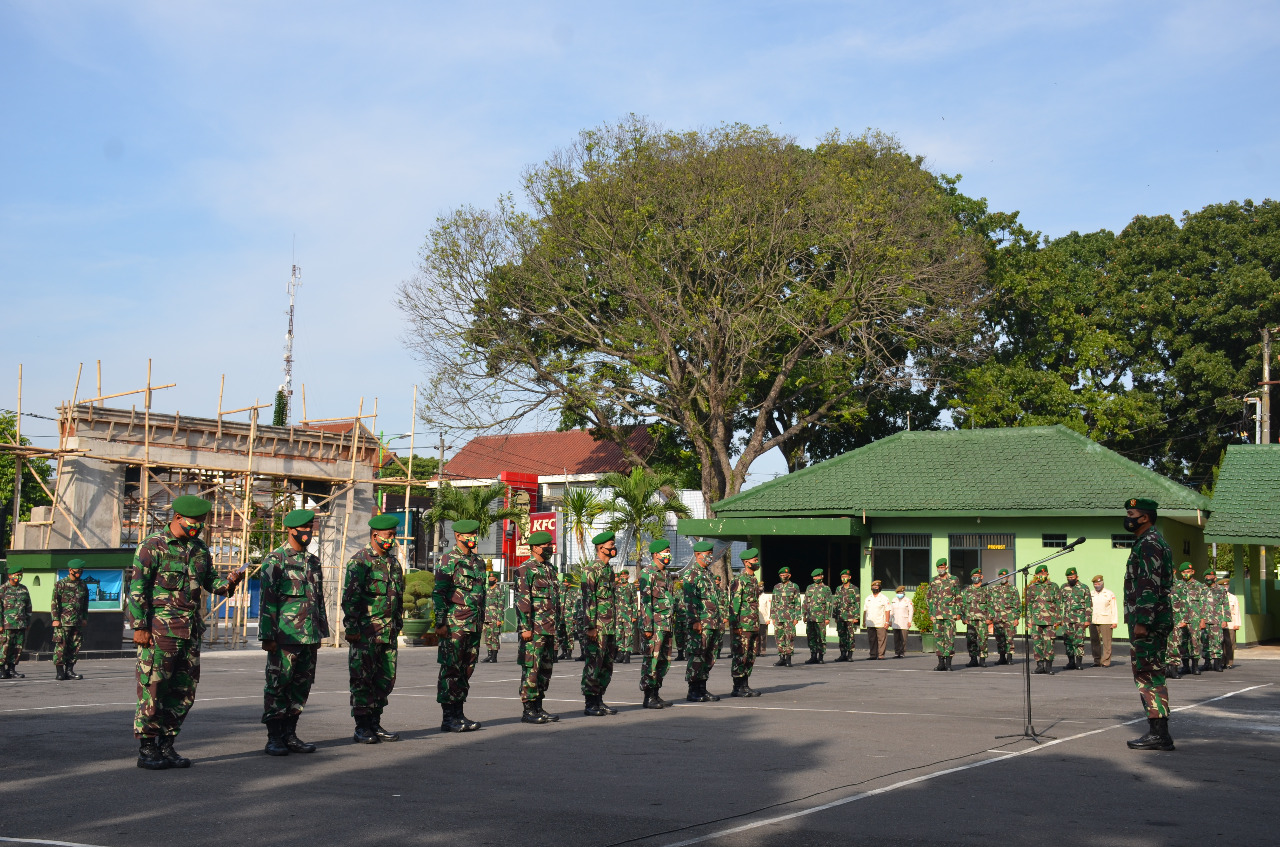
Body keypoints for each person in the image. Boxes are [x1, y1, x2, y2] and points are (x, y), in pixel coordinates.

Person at [127, 495, 245, 769]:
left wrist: (229, 582)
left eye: (202, 522)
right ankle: (147, 749)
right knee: (153, 689)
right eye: (195, 521)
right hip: (159, 633)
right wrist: (140, 626)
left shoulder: (200, 549)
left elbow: (210, 582)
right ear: (178, 518)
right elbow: (137, 589)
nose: (199, 526)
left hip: (190, 632)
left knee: (183, 693)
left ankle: (167, 745)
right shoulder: (152, 546)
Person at [259, 509, 329, 755]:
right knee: (278, 685)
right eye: (304, 528)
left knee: (301, 686)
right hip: (284, 637)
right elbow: (267, 600)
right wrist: (267, 636)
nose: (308, 532)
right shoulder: (275, 560)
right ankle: (274, 737)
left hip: (309, 636)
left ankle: (290, 733)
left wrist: (321, 631)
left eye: (311, 527)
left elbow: (318, 599)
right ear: (290, 530)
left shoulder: (313, 561)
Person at [344, 514, 406, 742]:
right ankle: (362, 726)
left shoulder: (393, 564)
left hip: (388, 633)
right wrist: (351, 627)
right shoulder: (359, 562)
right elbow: (350, 598)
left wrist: (397, 625)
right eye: (389, 535)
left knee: (385, 679)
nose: (392, 539)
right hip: (366, 632)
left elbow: (398, 597)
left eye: (394, 535)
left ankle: (375, 722)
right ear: (375, 535)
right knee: (363, 679)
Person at [1122, 497, 1176, 751]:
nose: (1128, 517)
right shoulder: (1151, 542)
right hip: (1155, 618)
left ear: (1144, 517)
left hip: (1150, 622)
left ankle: (1159, 733)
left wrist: (1142, 621)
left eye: (1131, 513)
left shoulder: (1149, 544)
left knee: (1148, 674)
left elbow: (1148, 584)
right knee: (1151, 673)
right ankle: (1159, 731)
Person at [432, 518, 485, 731]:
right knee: (451, 670)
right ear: (459, 536)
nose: (473, 538)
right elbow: (439, 594)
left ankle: (459, 713)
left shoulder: (478, 561)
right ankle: (448, 718)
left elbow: (481, 594)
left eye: (475, 534)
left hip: (473, 625)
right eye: (469, 535)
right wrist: (440, 622)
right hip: (454, 626)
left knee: (466, 670)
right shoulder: (449, 560)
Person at [515, 530, 561, 724]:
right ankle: (529, 709)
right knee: (531, 668)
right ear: (535, 548)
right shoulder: (526, 569)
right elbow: (523, 601)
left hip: (550, 628)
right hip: (534, 629)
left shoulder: (550, 569)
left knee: (545, 669)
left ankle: (539, 706)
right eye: (546, 546)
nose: (550, 549)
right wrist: (525, 627)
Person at [579, 531, 620, 716]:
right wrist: (591, 626)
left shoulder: (608, 570)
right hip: (597, 627)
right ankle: (590, 702)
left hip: (609, 626)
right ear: (601, 548)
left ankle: (600, 699)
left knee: (606, 665)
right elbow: (589, 600)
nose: (613, 549)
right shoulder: (590, 570)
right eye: (611, 546)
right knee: (593, 664)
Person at [683, 541, 723, 702]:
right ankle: (693, 689)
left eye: (711, 553)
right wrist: (695, 621)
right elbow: (690, 600)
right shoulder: (691, 575)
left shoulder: (708, 574)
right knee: (697, 655)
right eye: (707, 553)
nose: (710, 556)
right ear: (697, 555)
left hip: (712, 622)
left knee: (709, 656)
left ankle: (702, 687)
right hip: (701, 623)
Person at [639, 539, 676, 708]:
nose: (668, 554)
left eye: (668, 551)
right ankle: (648, 696)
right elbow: (645, 602)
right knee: (652, 661)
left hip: (667, 623)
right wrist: (647, 627)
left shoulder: (667, 574)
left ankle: (656, 692)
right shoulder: (648, 573)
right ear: (655, 554)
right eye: (665, 551)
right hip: (654, 625)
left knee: (664, 661)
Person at [729, 549, 764, 697]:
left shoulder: (754, 580)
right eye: (754, 560)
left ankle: (745, 684)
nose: (757, 562)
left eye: (757, 559)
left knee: (751, 654)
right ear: (746, 562)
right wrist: (734, 624)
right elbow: (734, 604)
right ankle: (737, 687)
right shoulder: (739, 580)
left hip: (753, 624)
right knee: (740, 654)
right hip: (742, 624)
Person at [51, 560, 90, 680]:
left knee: (75, 645)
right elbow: (54, 603)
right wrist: (55, 619)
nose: (79, 574)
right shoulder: (61, 584)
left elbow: (85, 603)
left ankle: (70, 670)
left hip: (77, 621)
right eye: (77, 571)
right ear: (70, 570)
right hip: (63, 622)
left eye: (81, 572)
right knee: (61, 645)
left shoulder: (83, 585)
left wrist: (84, 617)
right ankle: (59, 671)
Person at [1026, 564, 1061, 675]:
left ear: (1047, 574)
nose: (1041, 575)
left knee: (1049, 643)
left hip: (1050, 620)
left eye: (1043, 573)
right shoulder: (1032, 587)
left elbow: (1058, 604)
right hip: (1036, 621)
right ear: (1036, 575)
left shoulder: (1054, 586)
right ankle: (1040, 666)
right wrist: (1028, 620)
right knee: (1037, 643)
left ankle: (1049, 666)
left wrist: (1058, 619)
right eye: (1039, 574)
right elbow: (1029, 605)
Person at [1171, 562, 1205, 676]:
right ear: (1181, 573)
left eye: (1188, 572)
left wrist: (1202, 620)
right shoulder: (1178, 585)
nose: (1186, 574)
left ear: (1193, 572)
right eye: (1184, 572)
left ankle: (1195, 666)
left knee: (1195, 642)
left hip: (1195, 618)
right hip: (1181, 618)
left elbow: (1204, 604)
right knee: (1182, 642)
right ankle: (1185, 666)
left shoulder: (1199, 586)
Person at [927, 558, 960, 671]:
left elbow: (958, 597)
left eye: (942, 567)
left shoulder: (954, 580)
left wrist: (958, 612)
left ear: (946, 567)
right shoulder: (933, 580)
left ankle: (949, 663)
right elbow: (929, 598)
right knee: (938, 638)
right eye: (939, 568)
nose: (940, 570)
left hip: (950, 615)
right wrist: (931, 613)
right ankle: (941, 663)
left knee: (949, 638)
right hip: (937, 614)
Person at [1, 566, 32, 680]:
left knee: (17, 648)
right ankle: (2, 670)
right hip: (7, 625)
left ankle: (12, 669)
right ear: (10, 575)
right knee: (5, 647)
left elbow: (28, 606)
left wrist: (28, 621)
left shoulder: (24, 589)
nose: (18, 576)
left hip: (21, 624)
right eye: (16, 574)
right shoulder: (3, 589)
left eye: (20, 574)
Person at [1060, 567, 1092, 671]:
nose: (1070, 579)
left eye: (1072, 577)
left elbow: (1088, 605)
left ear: (1077, 577)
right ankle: (1071, 662)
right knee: (1068, 641)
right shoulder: (1063, 587)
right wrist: (1059, 618)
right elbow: (1060, 604)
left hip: (1080, 620)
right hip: (1067, 620)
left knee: (1079, 641)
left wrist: (1088, 619)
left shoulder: (1084, 588)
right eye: (1068, 577)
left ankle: (1078, 663)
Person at [959, 569, 991, 667]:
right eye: (973, 576)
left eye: (977, 575)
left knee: (983, 639)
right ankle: (973, 659)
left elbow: (991, 605)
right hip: (970, 620)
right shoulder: (966, 590)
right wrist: (963, 617)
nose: (975, 578)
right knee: (971, 640)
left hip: (982, 619)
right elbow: (962, 605)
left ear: (981, 577)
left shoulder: (986, 590)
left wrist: (989, 618)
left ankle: (982, 659)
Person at [802, 569, 833, 664]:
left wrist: (827, 617)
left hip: (821, 618)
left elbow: (829, 604)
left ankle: (821, 657)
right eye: (814, 577)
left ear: (822, 576)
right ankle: (813, 656)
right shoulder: (809, 588)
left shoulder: (826, 589)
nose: (815, 578)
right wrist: (804, 614)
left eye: (817, 576)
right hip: (810, 617)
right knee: (811, 637)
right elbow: (805, 602)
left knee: (821, 637)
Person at [990, 569, 1020, 665]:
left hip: (1009, 618)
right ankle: (1002, 658)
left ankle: (1010, 658)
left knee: (1009, 638)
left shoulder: (1013, 589)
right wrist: (991, 617)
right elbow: (990, 604)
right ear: (999, 577)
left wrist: (1016, 618)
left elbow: (1017, 604)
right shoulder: (994, 588)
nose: (1003, 578)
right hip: (997, 618)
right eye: (1001, 576)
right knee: (999, 638)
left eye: (1005, 576)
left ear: (1009, 577)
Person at [770, 567, 800, 666]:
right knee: (779, 637)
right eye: (781, 576)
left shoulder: (794, 586)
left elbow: (797, 603)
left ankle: (788, 659)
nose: (783, 577)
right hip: (778, 617)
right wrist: (773, 617)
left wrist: (797, 617)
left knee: (789, 637)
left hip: (790, 617)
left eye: (785, 575)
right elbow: (773, 602)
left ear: (789, 575)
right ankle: (781, 658)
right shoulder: (776, 587)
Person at [1199, 570, 1227, 672]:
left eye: (1210, 576)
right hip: (1204, 620)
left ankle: (1217, 663)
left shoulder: (1221, 589)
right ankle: (1207, 663)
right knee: (1205, 641)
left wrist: (1226, 619)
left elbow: (1226, 605)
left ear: (1215, 578)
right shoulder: (1201, 589)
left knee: (1217, 641)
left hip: (1217, 620)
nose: (1208, 578)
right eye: (1206, 576)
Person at [1089, 574, 1118, 668]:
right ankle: (1097, 660)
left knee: (1106, 642)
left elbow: (1114, 608)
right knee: (1095, 641)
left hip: (1106, 620)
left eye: (1098, 583)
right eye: (1095, 584)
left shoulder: (1109, 593)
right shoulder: (1091, 594)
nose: (1097, 585)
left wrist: (1114, 621)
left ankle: (1105, 661)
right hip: (1093, 620)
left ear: (1102, 583)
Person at [832, 569, 861, 662]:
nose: (844, 578)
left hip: (850, 617)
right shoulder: (838, 589)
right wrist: (835, 616)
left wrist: (857, 617)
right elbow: (835, 603)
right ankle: (843, 654)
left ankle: (850, 654)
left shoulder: (854, 589)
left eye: (845, 577)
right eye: (842, 577)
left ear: (850, 577)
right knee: (842, 636)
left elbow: (857, 603)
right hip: (840, 617)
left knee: (850, 635)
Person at [862, 580, 892, 660]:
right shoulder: (868, 598)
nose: (874, 588)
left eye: (876, 587)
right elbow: (865, 610)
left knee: (881, 639)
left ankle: (881, 655)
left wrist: (887, 622)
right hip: (870, 622)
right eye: (873, 587)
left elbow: (887, 610)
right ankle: (872, 655)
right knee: (871, 639)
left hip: (880, 622)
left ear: (879, 588)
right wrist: (863, 621)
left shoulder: (884, 598)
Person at [482, 571, 505, 663]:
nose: (490, 580)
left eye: (492, 579)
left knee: (494, 637)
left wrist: (499, 619)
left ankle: (494, 656)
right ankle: (489, 655)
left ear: (496, 580)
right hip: (486, 618)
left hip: (494, 618)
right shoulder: (486, 590)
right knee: (487, 637)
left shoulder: (499, 591)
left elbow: (501, 606)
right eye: (489, 579)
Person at [556, 574, 578, 661]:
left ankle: (569, 652)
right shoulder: (560, 593)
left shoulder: (573, 593)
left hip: (569, 616)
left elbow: (575, 606)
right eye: (564, 583)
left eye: (566, 583)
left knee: (569, 634)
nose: (565, 584)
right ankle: (563, 651)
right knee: (561, 634)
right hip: (560, 616)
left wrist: (574, 617)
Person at [889, 585, 913, 658]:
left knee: (903, 639)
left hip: (904, 621)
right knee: (896, 638)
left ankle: (902, 652)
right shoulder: (894, 600)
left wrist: (909, 621)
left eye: (901, 592)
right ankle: (896, 653)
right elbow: (891, 612)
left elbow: (911, 611)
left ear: (904, 592)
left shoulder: (907, 600)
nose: (899, 594)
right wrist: (889, 620)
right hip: (896, 622)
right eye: (898, 592)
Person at [1224, 577, 1240, 669]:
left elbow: (1236, 611)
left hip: (1231, 624)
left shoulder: (1233, 597)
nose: (1225, 587)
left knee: (1230, 644)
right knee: (1221, 645)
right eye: (1223, 585)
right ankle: (1221, 662)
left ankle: (1229, 662)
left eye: (1226, 585)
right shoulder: (1218, 597)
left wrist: (1237, 623)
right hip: (1220, 624)